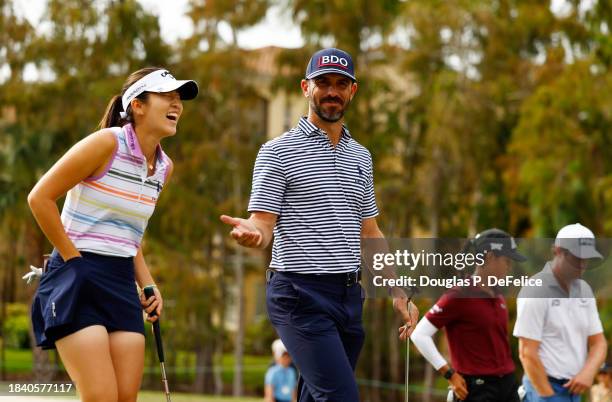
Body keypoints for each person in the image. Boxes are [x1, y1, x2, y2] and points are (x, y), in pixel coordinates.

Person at [220, 47, 418, 402]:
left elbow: (370, 233)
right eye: (323, 82)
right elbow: (263, 224)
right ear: (305, 88)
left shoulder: (361, 156)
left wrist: (397, 290)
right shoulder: (276, 151)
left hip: (348, 297)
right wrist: (253, 233)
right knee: (341, 397)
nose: (332, 91)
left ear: (352, 91)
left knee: (317, 396)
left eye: (341, 84)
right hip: (299, 295)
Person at [27, 67, 198, 402]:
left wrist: (148, 284)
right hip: (76, 275)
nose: (177, 103)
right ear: (138, 105)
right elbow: (40, 198)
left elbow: (129, 235)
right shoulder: (106, 143)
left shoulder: (164, 167)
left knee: (124, 397)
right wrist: (75, 262)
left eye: (179, 97)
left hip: (120, 281)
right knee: (101, 396)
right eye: (167, 95)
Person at [411, 229, 526, 402]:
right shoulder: (459, 294)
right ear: (489, 257)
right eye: (507, 261)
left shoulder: (498, 295)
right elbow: (419, 334)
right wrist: (449, 374)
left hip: (507, 385)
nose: (509, 267)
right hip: (477, 388)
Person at [513, 223, 608, 402]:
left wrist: (588, 372)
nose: (582, 264)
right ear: (557, 251)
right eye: (576, 257)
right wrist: (549, 396)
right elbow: (527, 353)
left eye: (586, 258)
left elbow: (599, 343)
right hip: (543, 389)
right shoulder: (536, 290)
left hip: (574, 392)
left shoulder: (584, 290)